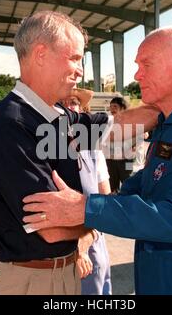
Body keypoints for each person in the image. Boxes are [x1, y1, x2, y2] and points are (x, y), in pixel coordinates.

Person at [21, 26, 172, 295]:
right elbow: (151, 180)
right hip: (158, 271)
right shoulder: (171, 123)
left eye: (146, 64)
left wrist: (87, 208)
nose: (137, 75)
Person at [0, 11, 163, 295]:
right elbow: (51, 229)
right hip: (25, 281)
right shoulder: (9, 124)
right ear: (40, 54)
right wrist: (94, 218)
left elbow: (120, 126)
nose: (81, 70)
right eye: (75, 58)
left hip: (63, 273)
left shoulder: (59, 115)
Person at [61, 95, 112, 295]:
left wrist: (85, 242)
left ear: (82, 109)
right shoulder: (45, 150)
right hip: (60, 246)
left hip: (92, 240)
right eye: (61, 103)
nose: (68, 107)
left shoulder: (93, 150)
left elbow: (105, 200)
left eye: (73, 102)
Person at [102, 97, 135, 193]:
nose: (112, 109)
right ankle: (113, 205)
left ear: (123, 108)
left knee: (129, 183)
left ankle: (129, 203)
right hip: (110, 160)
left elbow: (143, 134)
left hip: (127, 161)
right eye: (111, 106)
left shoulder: (131, 122)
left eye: (115, 106)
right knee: (112, 186)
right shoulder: (108, 122)